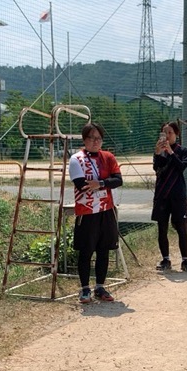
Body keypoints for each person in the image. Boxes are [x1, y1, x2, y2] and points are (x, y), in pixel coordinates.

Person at [68, 122, 123, 304]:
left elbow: (118, 180)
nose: (95, 141)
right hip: (87, 211)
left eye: (98, 138)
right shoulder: (76, 159)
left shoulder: (108, 157)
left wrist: (100, 183)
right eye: (91, 138)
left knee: (103, 250)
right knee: (86, 251)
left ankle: (100, 287)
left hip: (106, 210)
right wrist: (105, 182)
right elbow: (81, 185)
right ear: (84, 139)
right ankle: (85, 289)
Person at [152, 121, 187, 273]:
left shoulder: (183, 150)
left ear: (176, 134)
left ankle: (185, 260)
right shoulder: (159, 151)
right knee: (162, 228)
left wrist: (171, 152)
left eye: (170, 132)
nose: (167, 136)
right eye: (164, 133)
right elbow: (157, 168)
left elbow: (181, 166)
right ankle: (165, 259)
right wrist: (159, 153)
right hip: (162, 195)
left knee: (181, 228)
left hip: (177, 195)